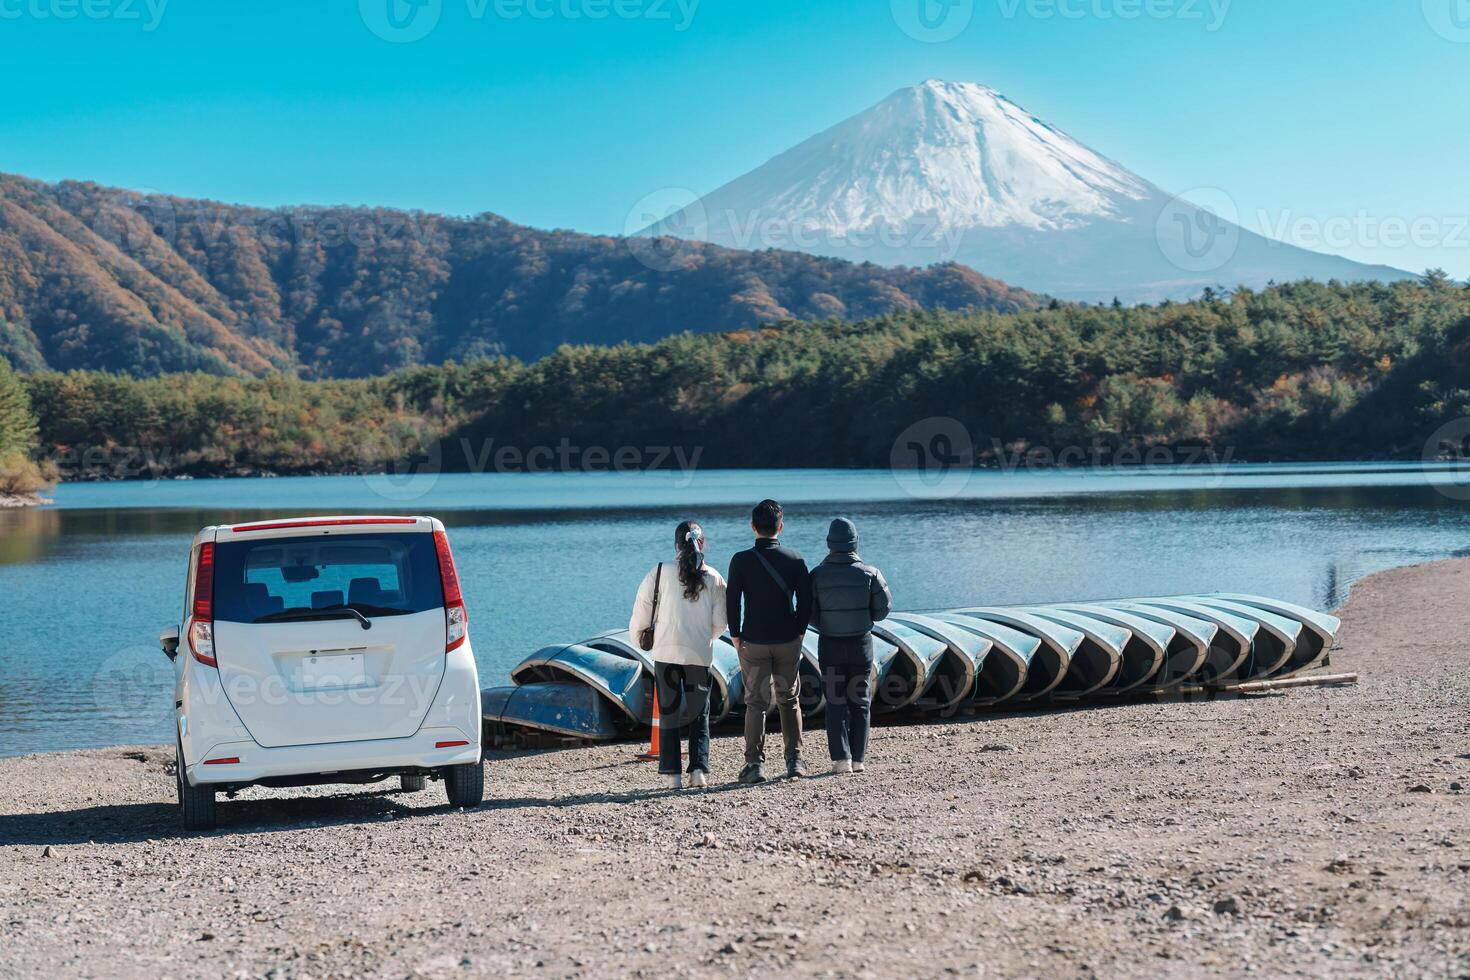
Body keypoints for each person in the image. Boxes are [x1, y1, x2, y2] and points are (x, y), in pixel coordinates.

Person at [629, 520, 727, 790]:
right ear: (702, 543)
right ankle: (698, 771)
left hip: (666, 651)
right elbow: (720, 623)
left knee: (669, 712)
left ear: (675, 545)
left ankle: (673, 775)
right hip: (698, 652)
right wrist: (704, 638)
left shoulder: (659, 572)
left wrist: (638, 640)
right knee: (699, 712)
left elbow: (640, 614)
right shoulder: (715, 577)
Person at [726, 499, 812, 783]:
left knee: (756, 703)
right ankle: (794, 762)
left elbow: (732, 602)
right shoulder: (796, 559)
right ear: (781, 526)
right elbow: (806, 602)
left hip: (753, 640)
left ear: (753, 527)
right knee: (790, 699)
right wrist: (799, 630)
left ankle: (754, 765)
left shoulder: (741, 560)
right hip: (788, 638)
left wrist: (735, 635)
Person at [809, 517, 892, 775]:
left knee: (835, 701)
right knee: (860, 701)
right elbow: (882, 611)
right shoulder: (870, 574)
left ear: (829, 544)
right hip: (861, 645)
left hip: (830, 645)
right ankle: (859, 759)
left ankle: (840, 759)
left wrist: (827, 624)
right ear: (855, 543)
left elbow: (810, 614)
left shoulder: (817, 575)